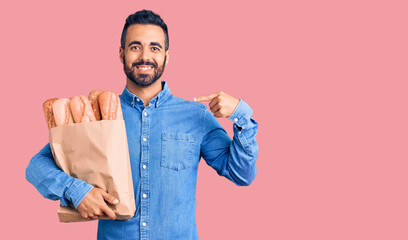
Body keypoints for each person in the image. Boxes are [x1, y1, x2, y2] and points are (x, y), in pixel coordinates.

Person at [26, 9, 258, 240]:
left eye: (154, 48)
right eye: (135, 47)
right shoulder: (97, 114)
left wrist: (241, 115)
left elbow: (242, 174)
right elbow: (37, 166)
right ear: (121, 53)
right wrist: (77, 192)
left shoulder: (195, 116)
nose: (144, 56)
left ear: (167, 55)